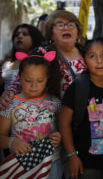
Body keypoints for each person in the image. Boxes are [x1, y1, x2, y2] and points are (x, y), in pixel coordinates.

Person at [59, 38, 103, 179]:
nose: (99, 61)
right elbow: (64, 123)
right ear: (84, 61)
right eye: (92, 56)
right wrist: (72, 156)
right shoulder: (78, 86)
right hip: (85, 163)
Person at [0, 10, 87, 110]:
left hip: (85, 113)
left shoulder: (88, 53)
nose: (66, 28)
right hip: (52, 114)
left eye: (71, 24)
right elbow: (21, 79)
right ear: (51, 34)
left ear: (78, 31)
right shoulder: (41, 53)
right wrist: (9, 92)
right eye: (60, 25)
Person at [0, 50, 62, 178]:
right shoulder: (11, 103)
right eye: (28, 80)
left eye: (40, 80)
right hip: (20, 165)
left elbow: (64, 130)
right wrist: (12, 142)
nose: (34, 85)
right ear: (19, 77)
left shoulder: (55, 102)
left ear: (47, 79)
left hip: (51, 163)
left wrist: (59, 137)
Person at [1, 24, 44, 91]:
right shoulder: (6, 63)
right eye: (16, 35)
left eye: (25, 34)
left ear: (34, 39)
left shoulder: (40, 62)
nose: (19, 36)